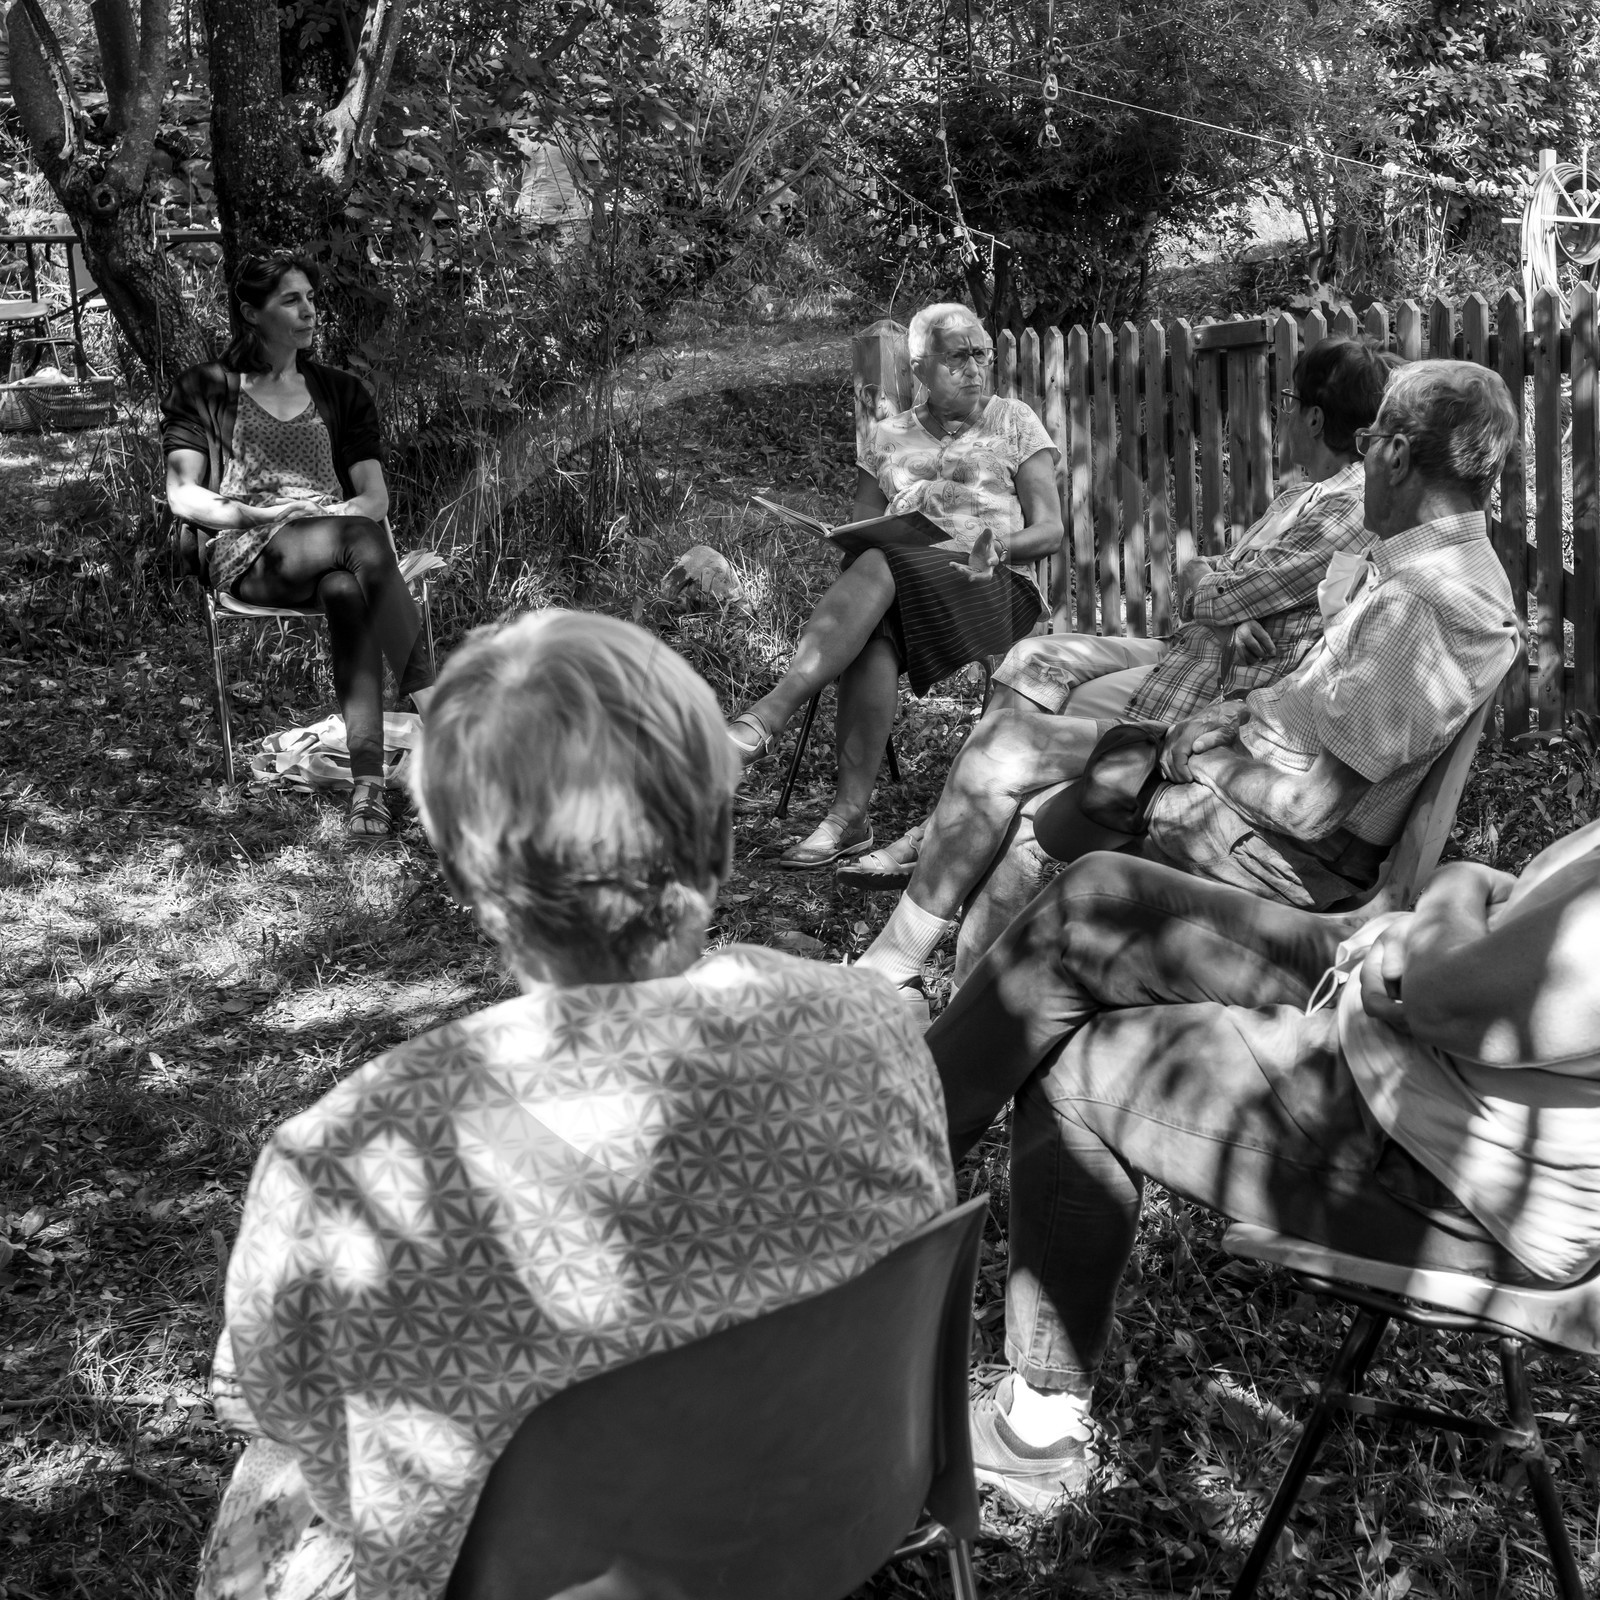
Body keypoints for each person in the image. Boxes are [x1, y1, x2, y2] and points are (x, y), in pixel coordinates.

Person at [194, 611, 953, 1600]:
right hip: (827, 1525)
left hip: (531, 1580)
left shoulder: (350, 1155)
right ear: (719, 838)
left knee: (266, 1491)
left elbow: (263, 1399)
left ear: (473, 876)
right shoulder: (877, 1030)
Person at [923, 823, 1600, 1514]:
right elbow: (1489, 945)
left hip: (1446, 1169)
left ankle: (1036, 1428)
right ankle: (874, 1172)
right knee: (1096, 899)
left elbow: (1449, 998)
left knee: (1078, 1072)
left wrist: (1455, 888)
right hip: (1406, 1037)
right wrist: (1455, 899)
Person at [861, 358, 1521, 996]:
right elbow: (1304, 678)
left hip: (1259, 830)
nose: (1361, 455)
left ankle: (922, 988)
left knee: (1015, 777)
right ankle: (931, 988)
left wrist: (1196, 756)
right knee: (1012, 769)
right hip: (1244, 759)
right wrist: (1228, 716)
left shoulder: (1420, 600)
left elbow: (1311, 812)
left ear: (1398, 457)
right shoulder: (1439, 566)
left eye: (1371, 442)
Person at [726, 302, 1064, 867]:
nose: (975, 367)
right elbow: (863, 532)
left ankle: (766, 720)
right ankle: (847, 819)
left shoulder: (1015, 421)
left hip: (994, 584)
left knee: (884, 565)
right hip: (906, 590)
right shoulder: (883, 438)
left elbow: (1050, 529)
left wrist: (995, 546)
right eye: (958, 357)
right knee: (875, 624)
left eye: (982, 354)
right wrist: (851, 541)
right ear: (918, 369)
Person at [163, 252, 434, 840]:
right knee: (355, 542)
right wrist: (258, 513)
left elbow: (374, 498)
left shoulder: (339, 390)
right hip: (251, 552)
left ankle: (367, 789)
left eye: (311, 297)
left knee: (345, 586)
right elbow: (183, 495)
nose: (309, 310)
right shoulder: (206, 388)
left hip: (336, 544)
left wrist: (328, 516)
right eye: (291, 299)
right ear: (251, 313)